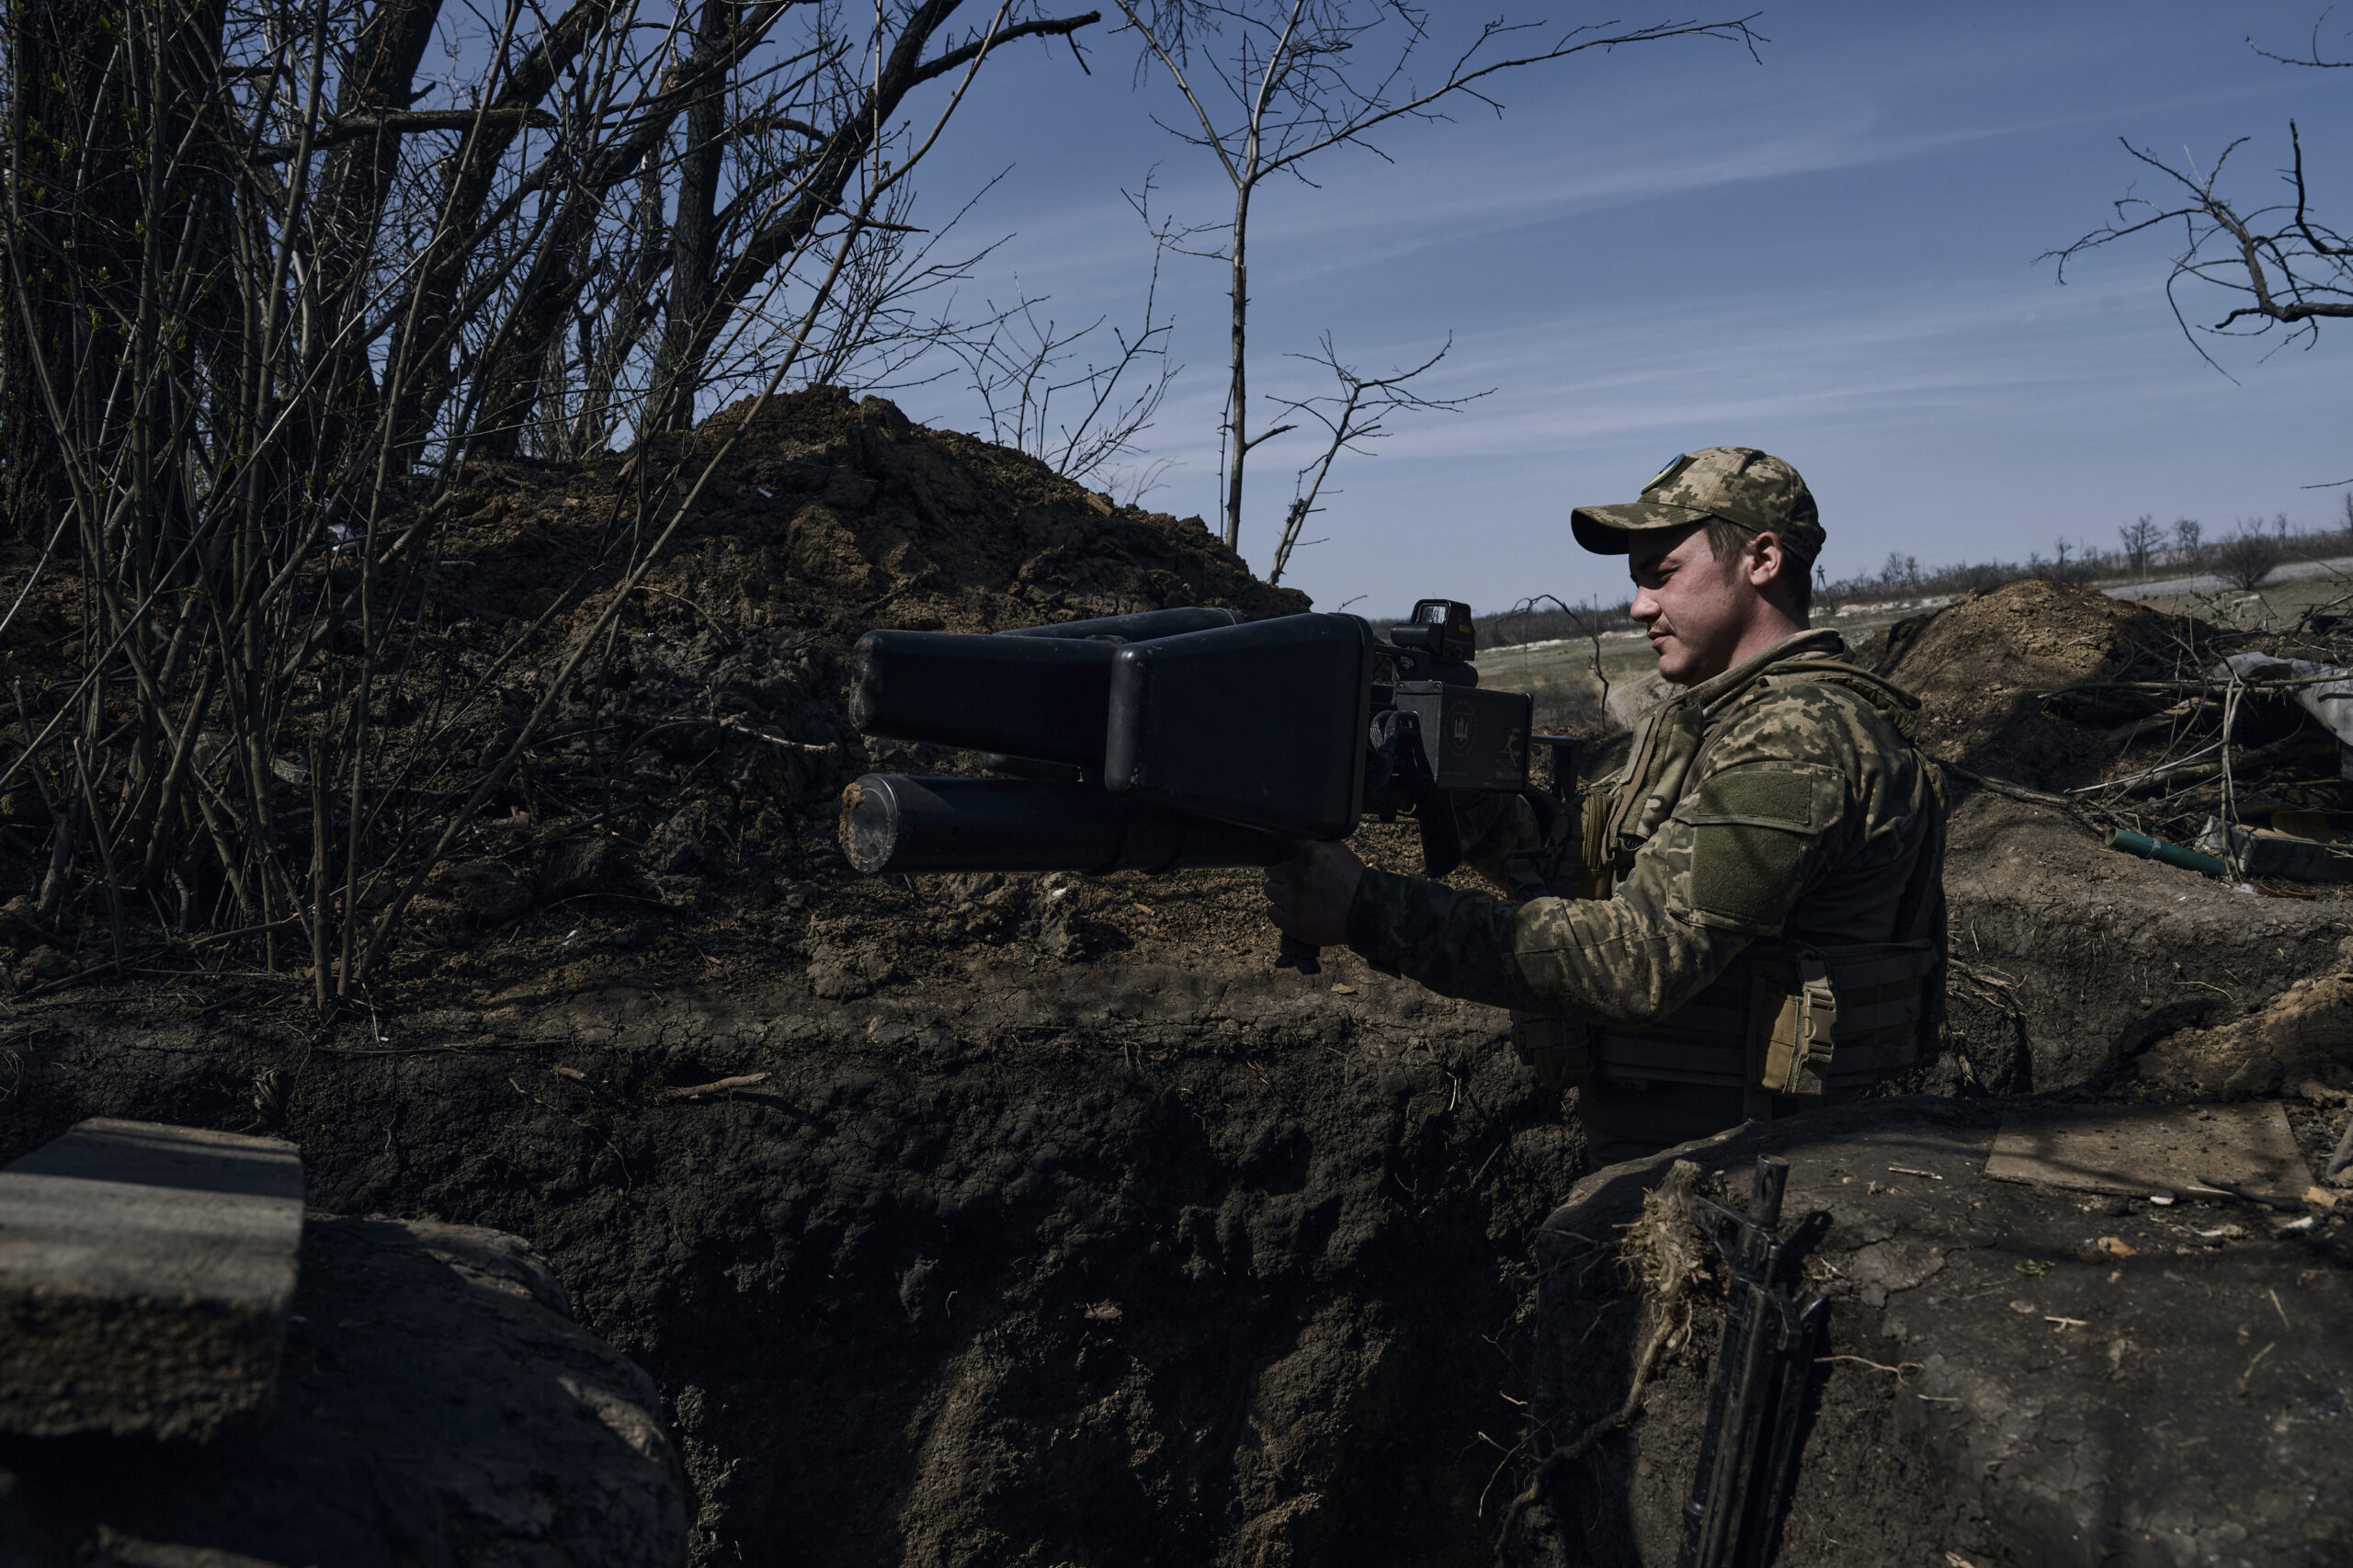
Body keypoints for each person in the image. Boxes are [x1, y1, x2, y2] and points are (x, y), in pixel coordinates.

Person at [1263, 448, 1947, 1165]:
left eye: (1663, 576)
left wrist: (1367, 908)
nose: (1639, 606)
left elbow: (1643, 956)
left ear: (1763, 558)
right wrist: (1457, 794)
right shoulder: (1717, 721)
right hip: (1696, 1145)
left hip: (1753, 1165)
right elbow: (1578, 867)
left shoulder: (1796, 737)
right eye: (1637, 582)